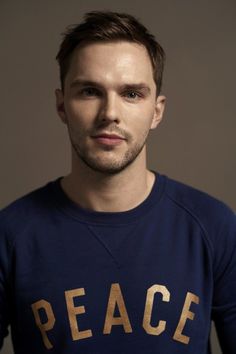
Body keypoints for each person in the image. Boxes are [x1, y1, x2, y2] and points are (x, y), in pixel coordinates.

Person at [0, 10, 235, 354]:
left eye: (132, 94)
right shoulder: (11, 235)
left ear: (157, 110)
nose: (110, 112)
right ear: (62, 105)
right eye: (90, 91)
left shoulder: (214, 227)